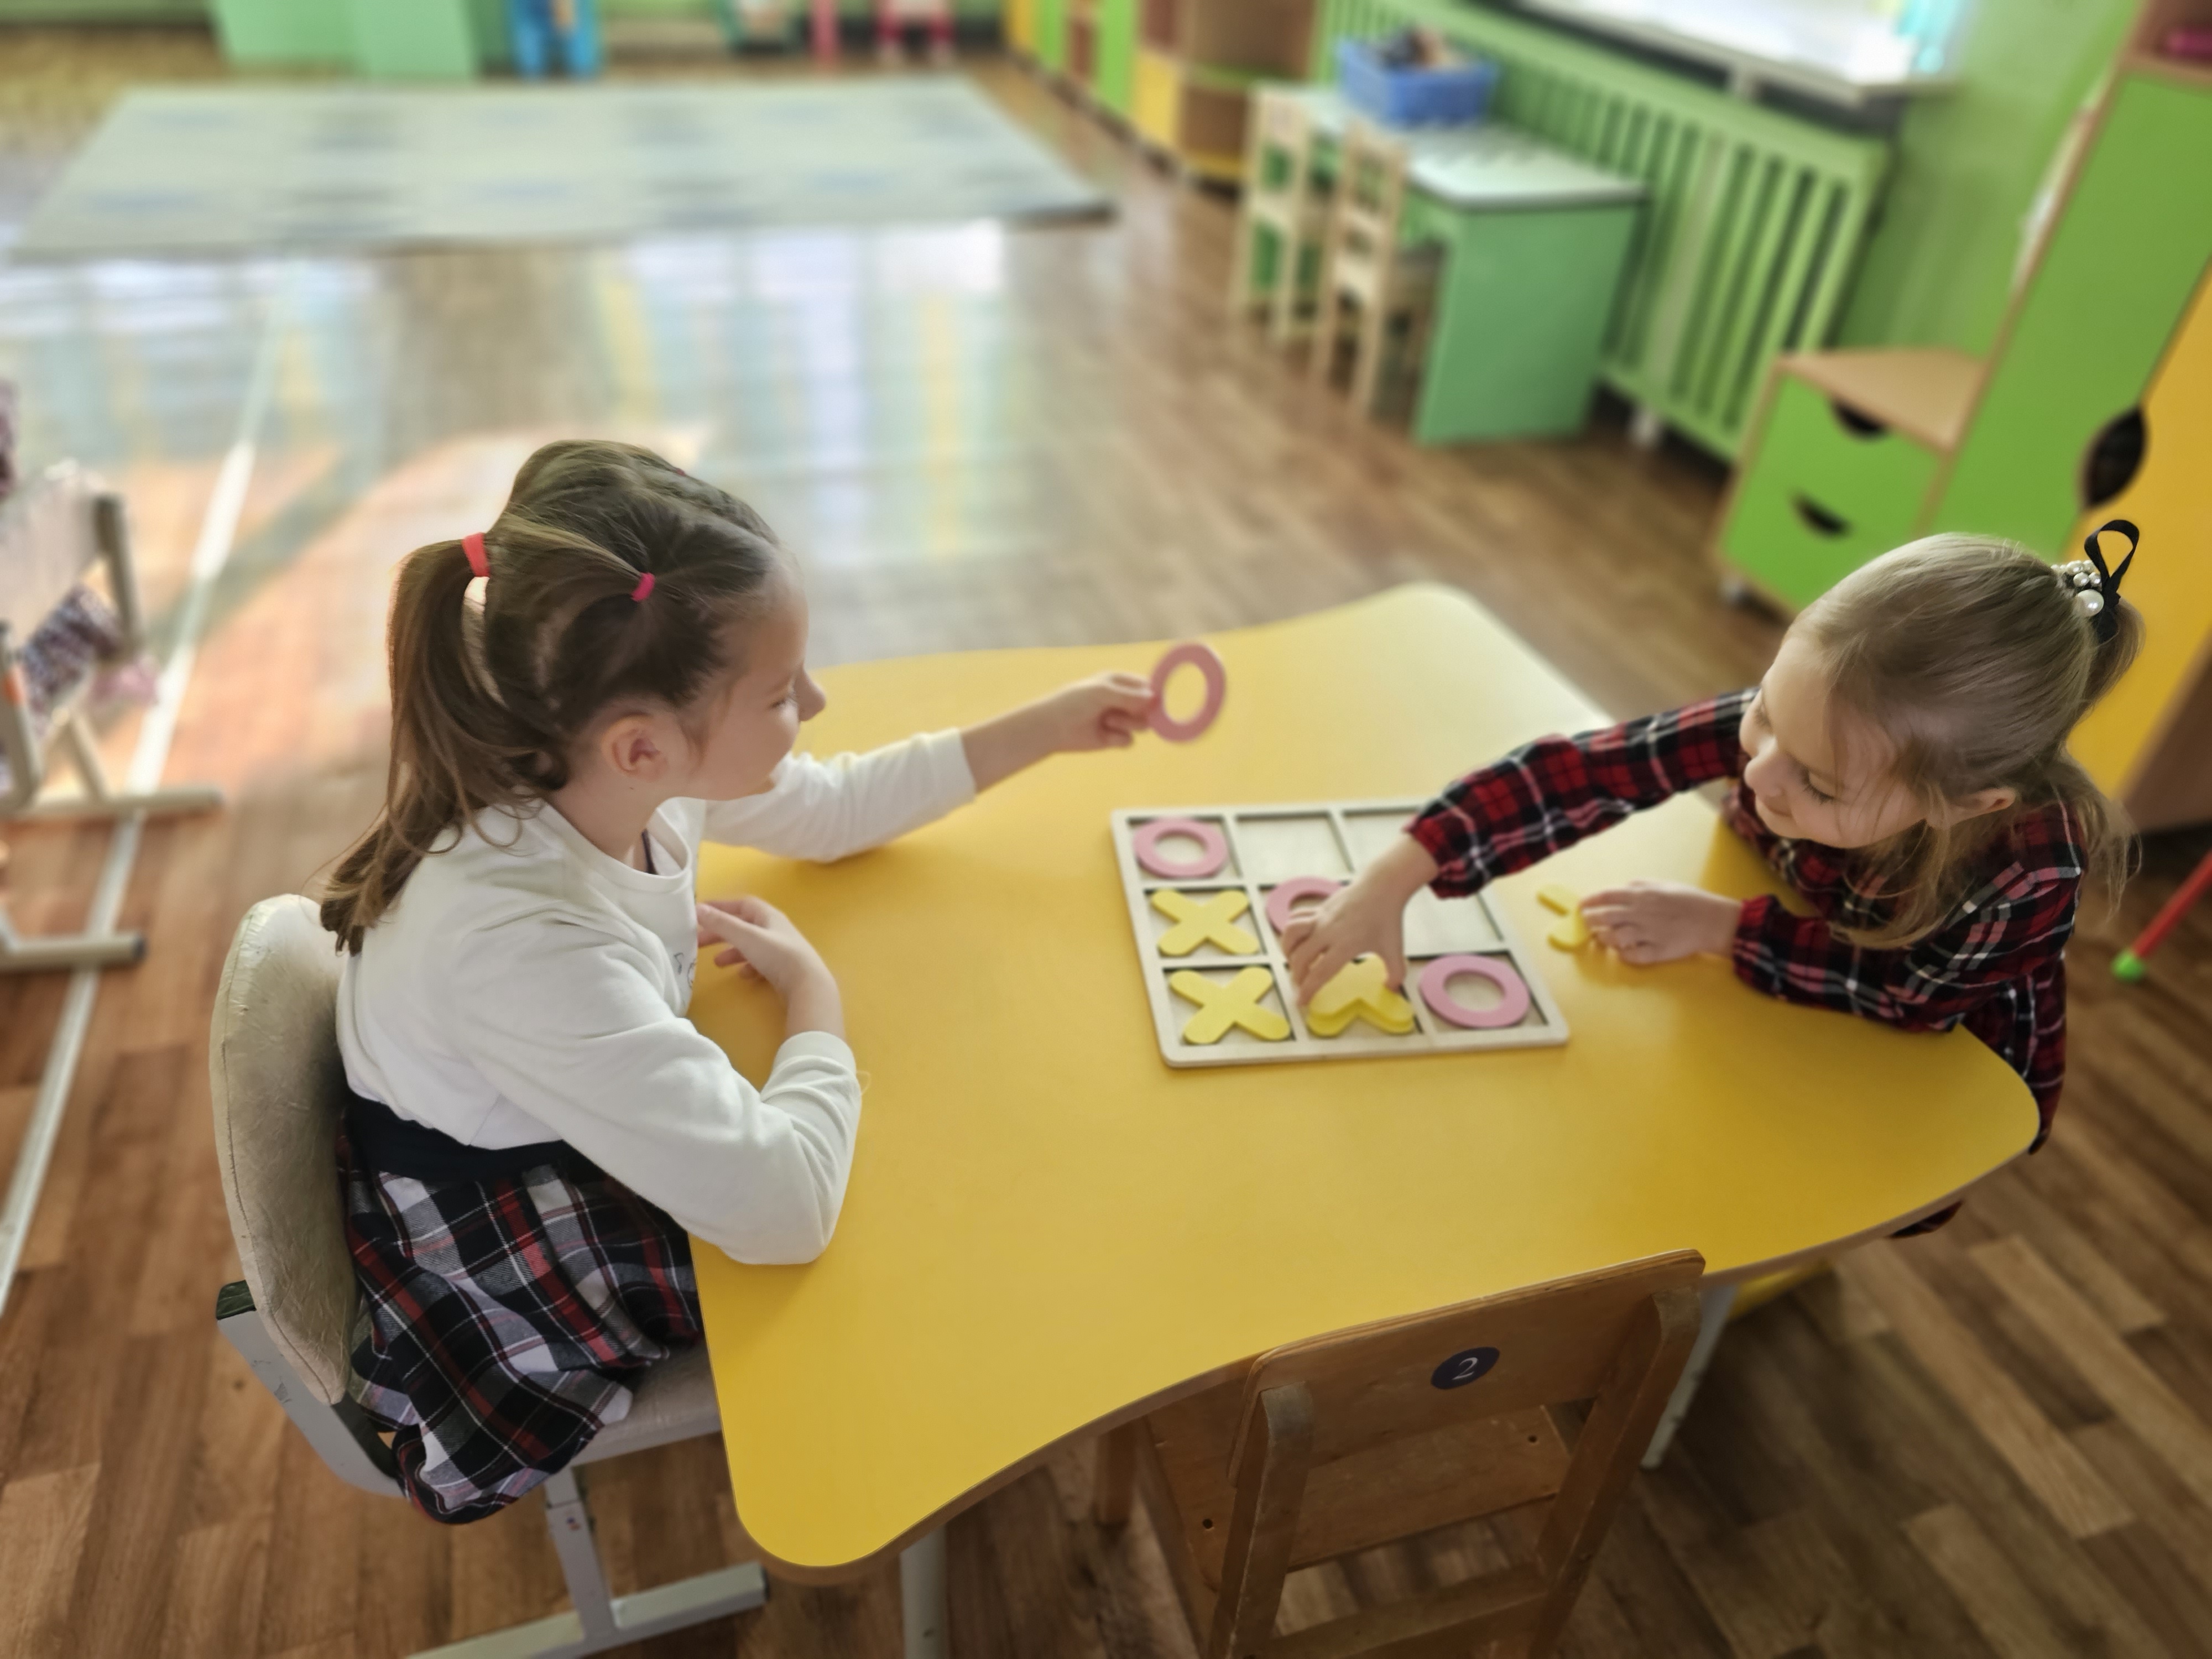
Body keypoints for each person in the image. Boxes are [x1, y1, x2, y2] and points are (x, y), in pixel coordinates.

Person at [319, 440, 1155, 1520]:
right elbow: (785, 1210)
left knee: (923, 1149)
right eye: (780, 693)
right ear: (642, 748)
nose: (818, 699)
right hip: (518, 1219)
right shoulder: (522, 946)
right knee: (928, 1220)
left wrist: (1050, 725)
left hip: (573, 1105)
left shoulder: (600, 769)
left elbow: (833, 808)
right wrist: (817, 1006)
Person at [1285, 527, 2145, 1213]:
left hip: (1914, 1047)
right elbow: (1586, 772)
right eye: (1762, 713)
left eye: (1818, 785)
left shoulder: (2031, 869)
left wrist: (1723, 929)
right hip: (1772, 950)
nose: (1762, 772)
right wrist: (1396, 874)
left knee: (1823, 1184)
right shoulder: (1816, 727)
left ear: (1968, 805)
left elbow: (1910, 994)